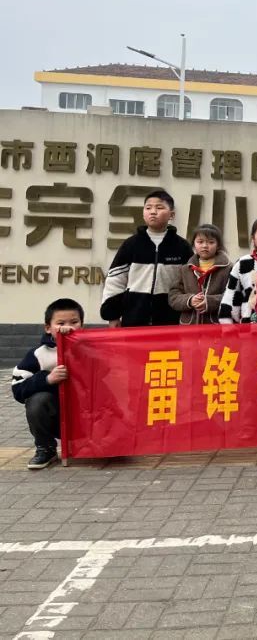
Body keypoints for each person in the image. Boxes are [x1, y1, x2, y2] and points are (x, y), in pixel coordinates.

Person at [100, 189, 193, 327]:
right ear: (143, 213)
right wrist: (112, 316)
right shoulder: (131, 244)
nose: (153, 212)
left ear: (171, 215)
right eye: (148, 208)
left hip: (171, 320)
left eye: (159, 208)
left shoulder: (182, 246)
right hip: (134, 318)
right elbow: (115, 280)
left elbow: (191, 283)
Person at [11, 298, 83, 470]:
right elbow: (17, 388)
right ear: (48, 328)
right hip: (57, 416)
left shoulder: (92, 349)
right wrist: (47, 379)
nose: (67, 328)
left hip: (87, 415)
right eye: (60, 323)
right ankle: (46, 448)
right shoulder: (38, 354)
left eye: (74, 322)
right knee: (37, 401)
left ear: (83, 324)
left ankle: (105, 443)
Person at [168, 223, 232, 325]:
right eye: (200, 242)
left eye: (211, 242)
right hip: (188, 328)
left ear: (218, 245)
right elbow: (173, 296)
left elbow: (233, 296)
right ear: (194, 244)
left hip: (216, 326)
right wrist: (190, 300)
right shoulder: (185, 269)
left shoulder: (228, 268)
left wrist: (210, 302)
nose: (205, 246)